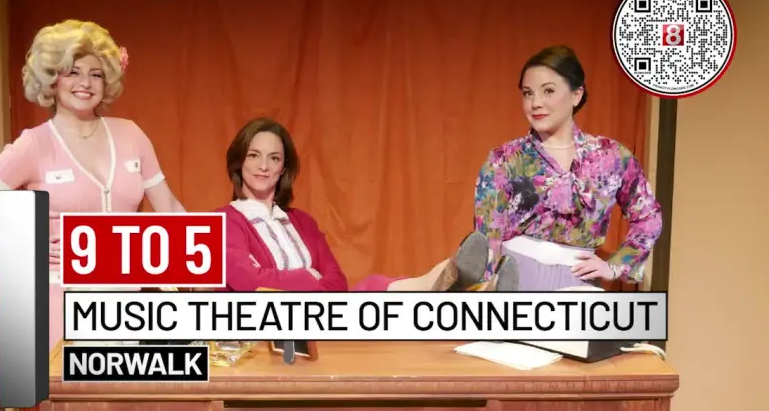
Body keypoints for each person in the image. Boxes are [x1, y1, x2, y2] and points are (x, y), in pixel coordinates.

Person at [0, 19, 185, 350]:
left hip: (127, 305)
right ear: (51, 78)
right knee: (71, 384)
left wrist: (198, 267)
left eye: (96, 74)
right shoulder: (34, 144)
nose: (85, 83)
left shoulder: (131, 134)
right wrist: (25, 248)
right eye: (73, 72)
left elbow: (170, 209)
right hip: (60, 302)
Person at [215, 117, 519, 292]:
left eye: (274, 158)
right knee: (375, 291)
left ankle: (459, 282)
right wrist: (307, 277)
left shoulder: (302, 222)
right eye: (254, 155)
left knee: (373, 286)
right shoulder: (224, 221)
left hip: (325, 317)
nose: (264, 166)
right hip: (272, 327)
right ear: (239, 161)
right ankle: (458, 282)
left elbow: (337, 284)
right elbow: (247, 281)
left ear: (283, 168)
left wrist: (300, 285)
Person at [473, 45, 662, 291]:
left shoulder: (611, 157)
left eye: (548, 91)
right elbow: (487, 239)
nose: (535, 103)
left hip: (579, 285)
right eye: (528, 93)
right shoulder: (505, 159)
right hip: (515, 281)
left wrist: (617, 265)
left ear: (576, 95)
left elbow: (648, 217)